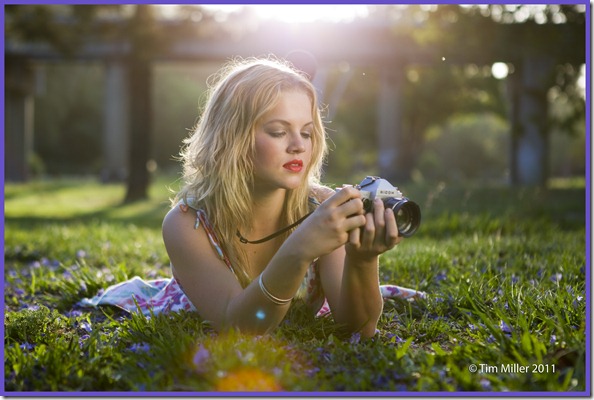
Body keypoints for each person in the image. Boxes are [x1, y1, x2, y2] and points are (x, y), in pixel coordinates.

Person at [80, 56, 423, 338]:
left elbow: (357, 329)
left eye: (306, 132)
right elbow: (239, 327)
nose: (298, 145)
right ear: (233, 138)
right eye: (278, 131)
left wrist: (363, 261)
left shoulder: (320, 207)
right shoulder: (188, 225)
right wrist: (300, 248)